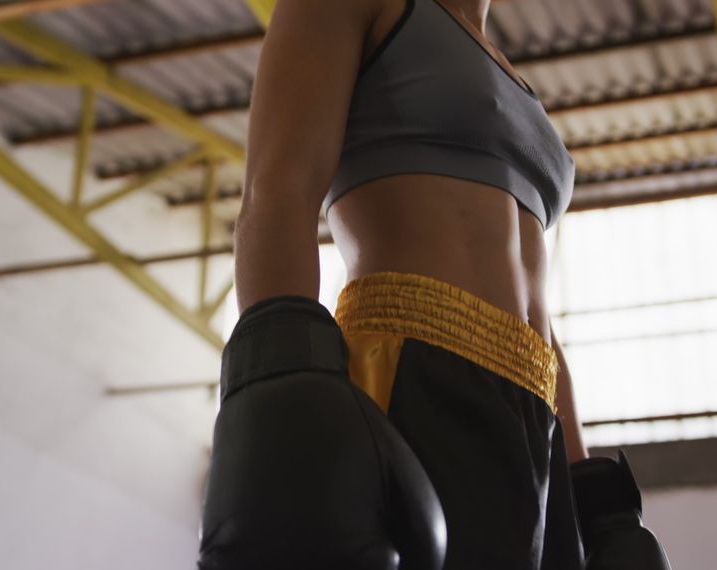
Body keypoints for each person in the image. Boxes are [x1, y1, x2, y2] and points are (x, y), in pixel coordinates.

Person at [197, 0, 670, 568]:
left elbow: (535, 310)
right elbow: (276, 195)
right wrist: (282, 387)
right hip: (412, 368)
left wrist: (594, 495)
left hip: (531, 413)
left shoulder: (510, 72)